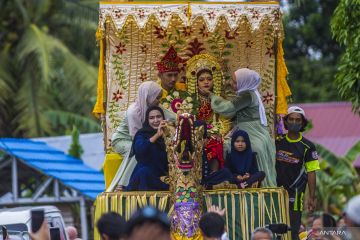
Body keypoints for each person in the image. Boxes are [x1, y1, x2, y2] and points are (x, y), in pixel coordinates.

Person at [209, 68, 277, 187]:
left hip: (251, 131)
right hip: (249, 129)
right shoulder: (250, 93)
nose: (231, 83)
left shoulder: (247, 95)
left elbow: (227, 109)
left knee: (229, 147)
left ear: (244, 82)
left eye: (235, 82)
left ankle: (231, 181)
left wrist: (212, 96)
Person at [107, 81, 162, 191]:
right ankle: (125, 185)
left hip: (140, 139)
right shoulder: (134, 112)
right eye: (157, 97)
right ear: (148, 96)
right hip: (122, 140)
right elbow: (137, 140)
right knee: (138, 152)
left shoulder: (152, 107)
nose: (159, 101)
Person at [276, 106, 320, 240]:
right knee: (276, 231)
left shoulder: (308, 146)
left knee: (293, 232)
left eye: (297, 120)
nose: (294, 122)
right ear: (286, 121)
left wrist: (311, 197)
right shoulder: (277, 141)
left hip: (295, 195)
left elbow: (311, 172)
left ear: (302, 123)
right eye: (291, 119)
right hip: (275, 192)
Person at [126, 106, 169, 191]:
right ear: (147, 120)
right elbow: (140, 150)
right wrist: (157, 135)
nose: (156, 120)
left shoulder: (169, 133)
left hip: (162, 178)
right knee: (144, 172)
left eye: (158, 116)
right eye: (151, 118)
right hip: (145, 177)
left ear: (163, 118)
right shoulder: (142, 134)